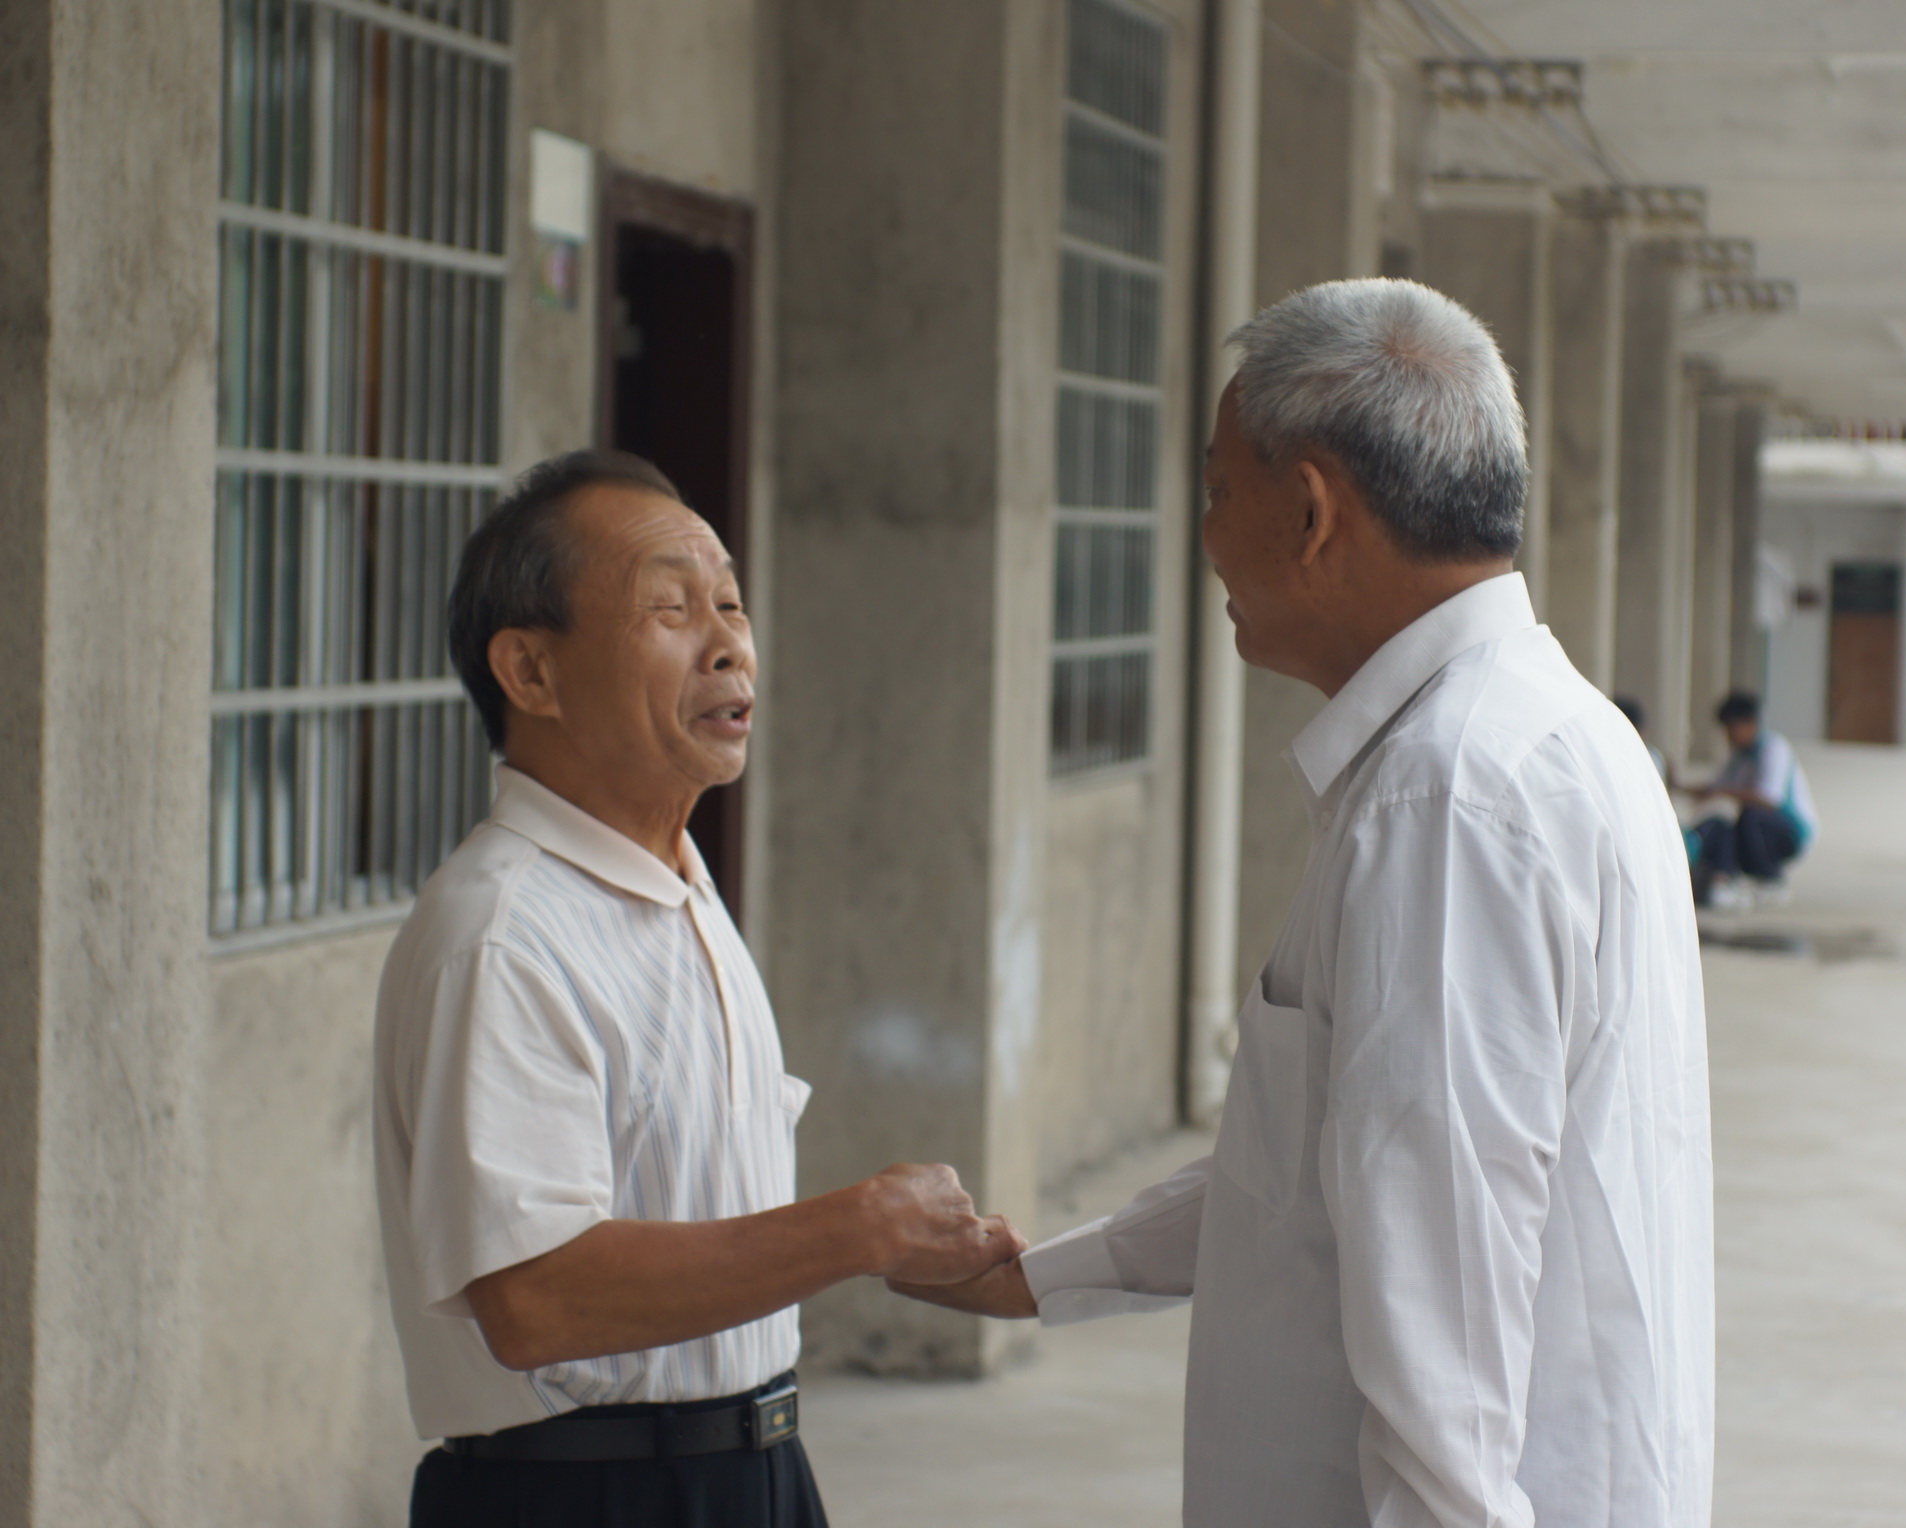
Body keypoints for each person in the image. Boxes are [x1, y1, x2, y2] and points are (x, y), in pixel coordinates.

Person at [896, 280, 1713, 1528]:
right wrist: (1039, 1276)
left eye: (1220, 492)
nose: (1208, 539)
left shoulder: (1448, 799)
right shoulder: (1549, 735)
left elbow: (1445, 1343)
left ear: (1313, 510)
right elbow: (1313, 1175)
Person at [373, 450, 1022, 1528]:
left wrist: (912, 1249)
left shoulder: (676, 884)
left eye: (729, 603)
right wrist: (856, 1230)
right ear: (530, 673)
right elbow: (534, 1297)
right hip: (588, 1497)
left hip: (751, 1469)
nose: (728, 645)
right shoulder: (502, 933)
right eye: (669, 610)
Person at [1688, 690, 1819, 909]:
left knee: (1751, 815)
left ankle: (1771, 878)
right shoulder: (1740, 756)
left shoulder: (1774, 748)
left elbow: (1768, 798)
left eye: (1731, 729)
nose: (1728, 737)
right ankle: (1722, 879)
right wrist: (1678, 786)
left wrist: (1723, 791)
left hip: (1789, 832)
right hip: (1758, 828)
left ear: (1749, 724)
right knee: (1721, 827)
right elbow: (1715, 787)